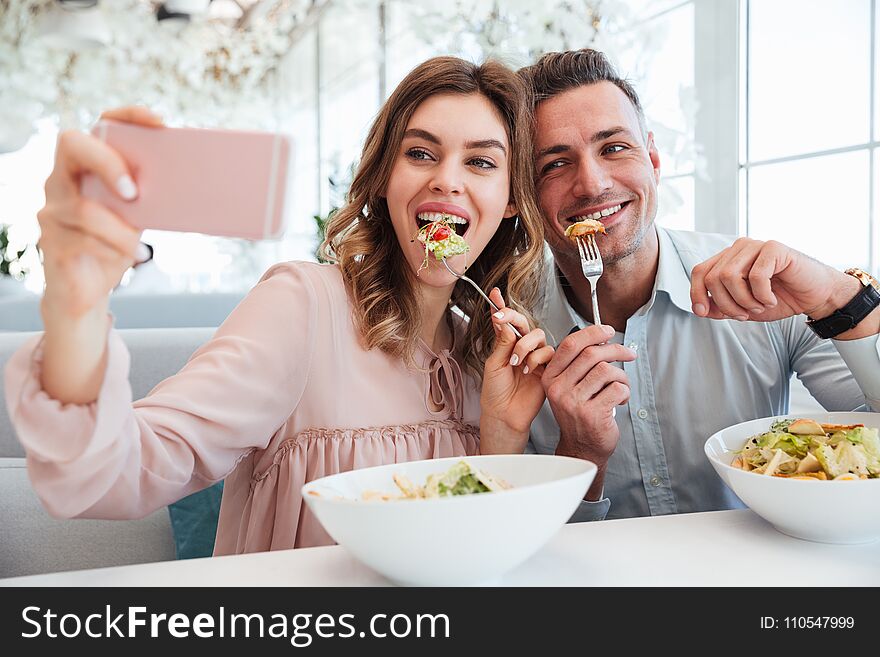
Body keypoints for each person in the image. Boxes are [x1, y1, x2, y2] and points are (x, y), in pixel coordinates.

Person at [3, 56, 553, 553]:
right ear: (385, 179)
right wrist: (75, 306)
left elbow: (472, 555)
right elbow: (109, 473)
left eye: (480, 162)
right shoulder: (305, 308)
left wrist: (500, 439)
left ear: (509, 203)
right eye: (419, 153)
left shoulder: (490, 363)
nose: (446, 179)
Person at [513, 49, 880, 521]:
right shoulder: (506, 335)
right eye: (554, 165)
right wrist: (581, 455)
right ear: (523, 195)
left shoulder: (764, 288)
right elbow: (518, 549)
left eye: (613, 148)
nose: (592, 183)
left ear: (654, 160)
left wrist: (840, 298)